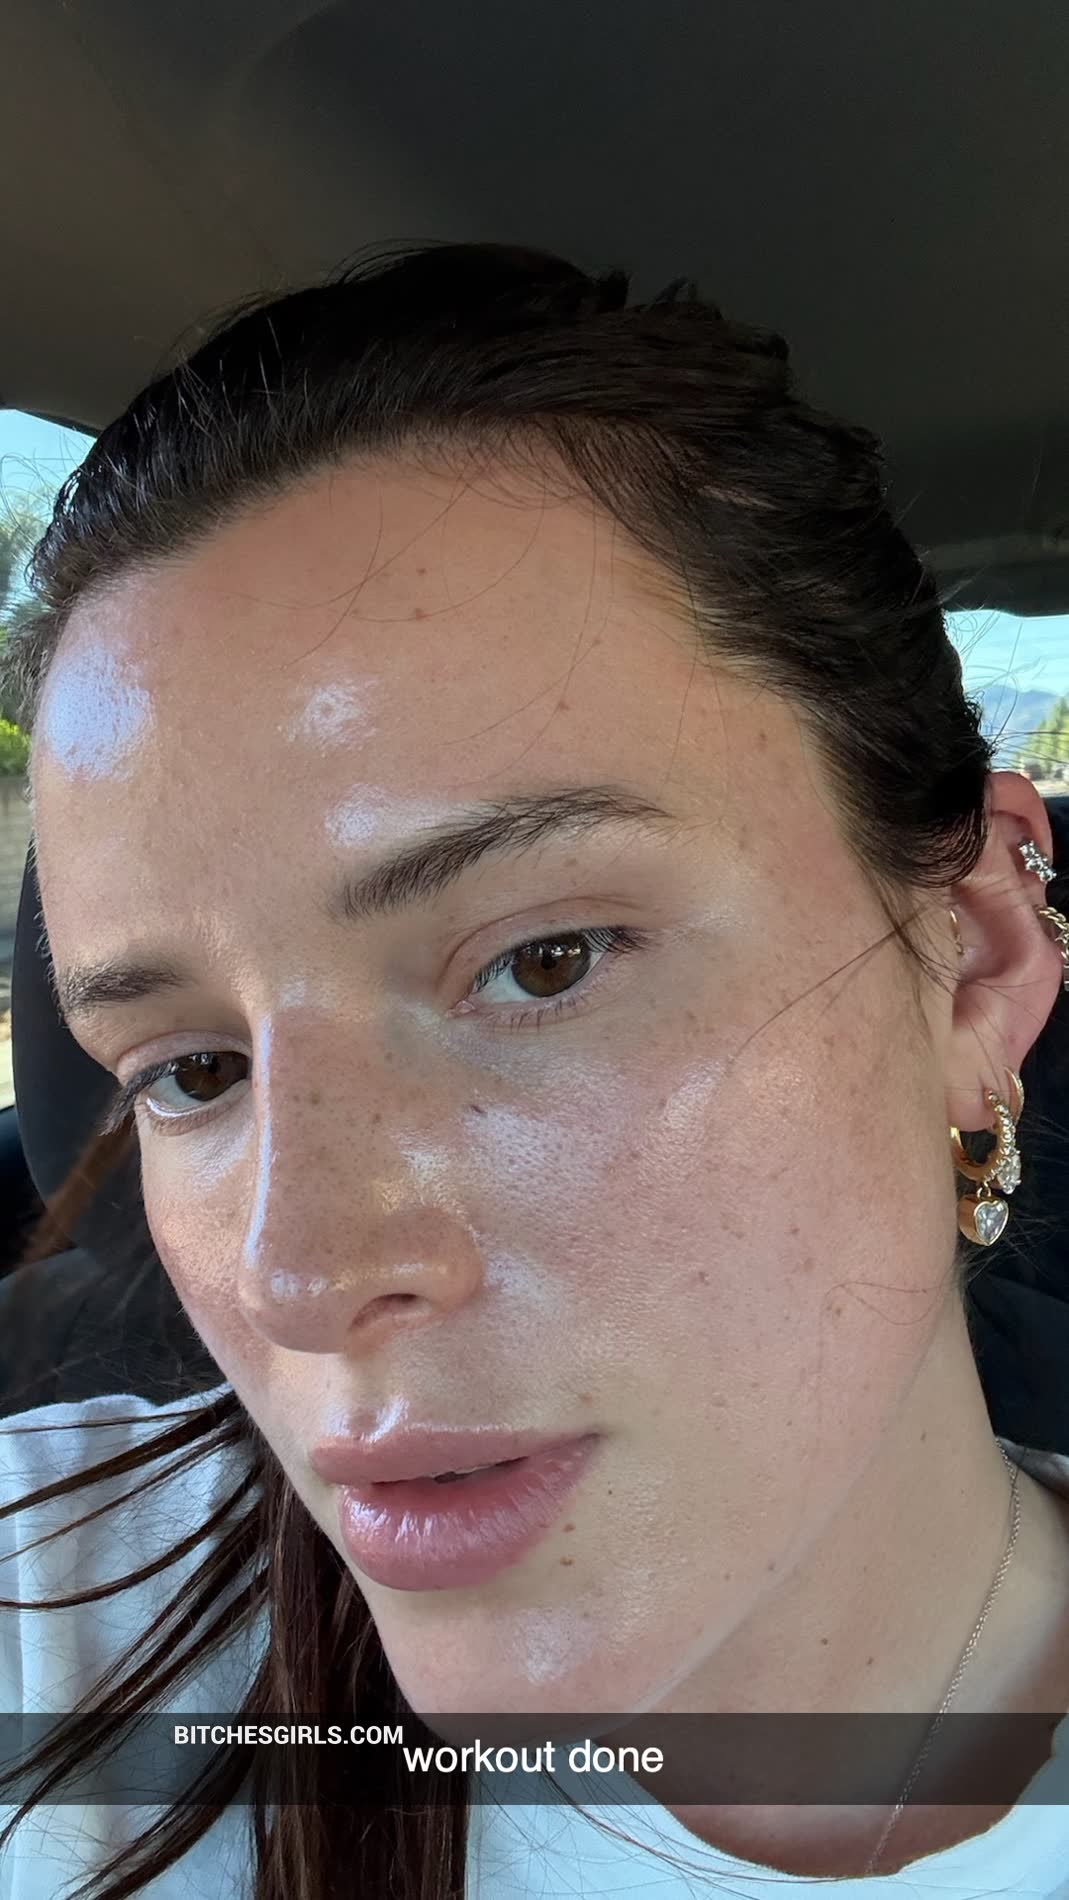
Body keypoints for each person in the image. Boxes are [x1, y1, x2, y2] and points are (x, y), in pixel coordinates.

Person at [2, 239, 1069, 1900]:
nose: (298, 1277)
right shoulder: (48, 1619)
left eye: (542, 963)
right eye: (193, 1068)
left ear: (977, 957)